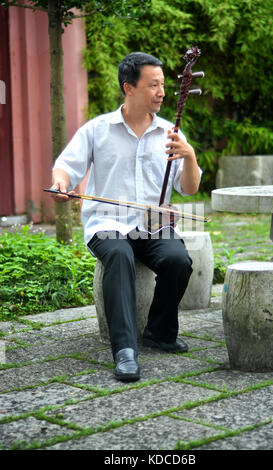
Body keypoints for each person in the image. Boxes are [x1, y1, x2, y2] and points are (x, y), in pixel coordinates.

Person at [51, 52, 202, 382]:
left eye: (163, 84)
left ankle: (159, 332)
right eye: (153, 85)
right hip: (107, 223)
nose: (162, 92)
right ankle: (125, 350)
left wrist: (189, 156)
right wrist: (61, 181)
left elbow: (190, 189)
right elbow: (66, 165)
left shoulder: (170, 133)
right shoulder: (98, 130)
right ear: (129, 88)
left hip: (151, 225)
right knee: (118, 255)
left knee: (178, 260)